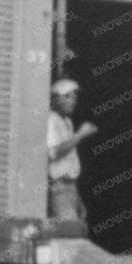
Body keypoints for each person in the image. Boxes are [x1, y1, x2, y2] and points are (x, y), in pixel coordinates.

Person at [46, 78, 97, 220]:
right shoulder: (51, 119)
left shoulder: (67, 122)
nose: (73, 100)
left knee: (74, 227)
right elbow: (54, 153)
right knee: (68, 231)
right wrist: (80, 135)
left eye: (75, 96)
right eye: (67, 96)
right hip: (59, 188)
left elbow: (69, 166)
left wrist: (78, 200)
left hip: (70, 187)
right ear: (56, 99)